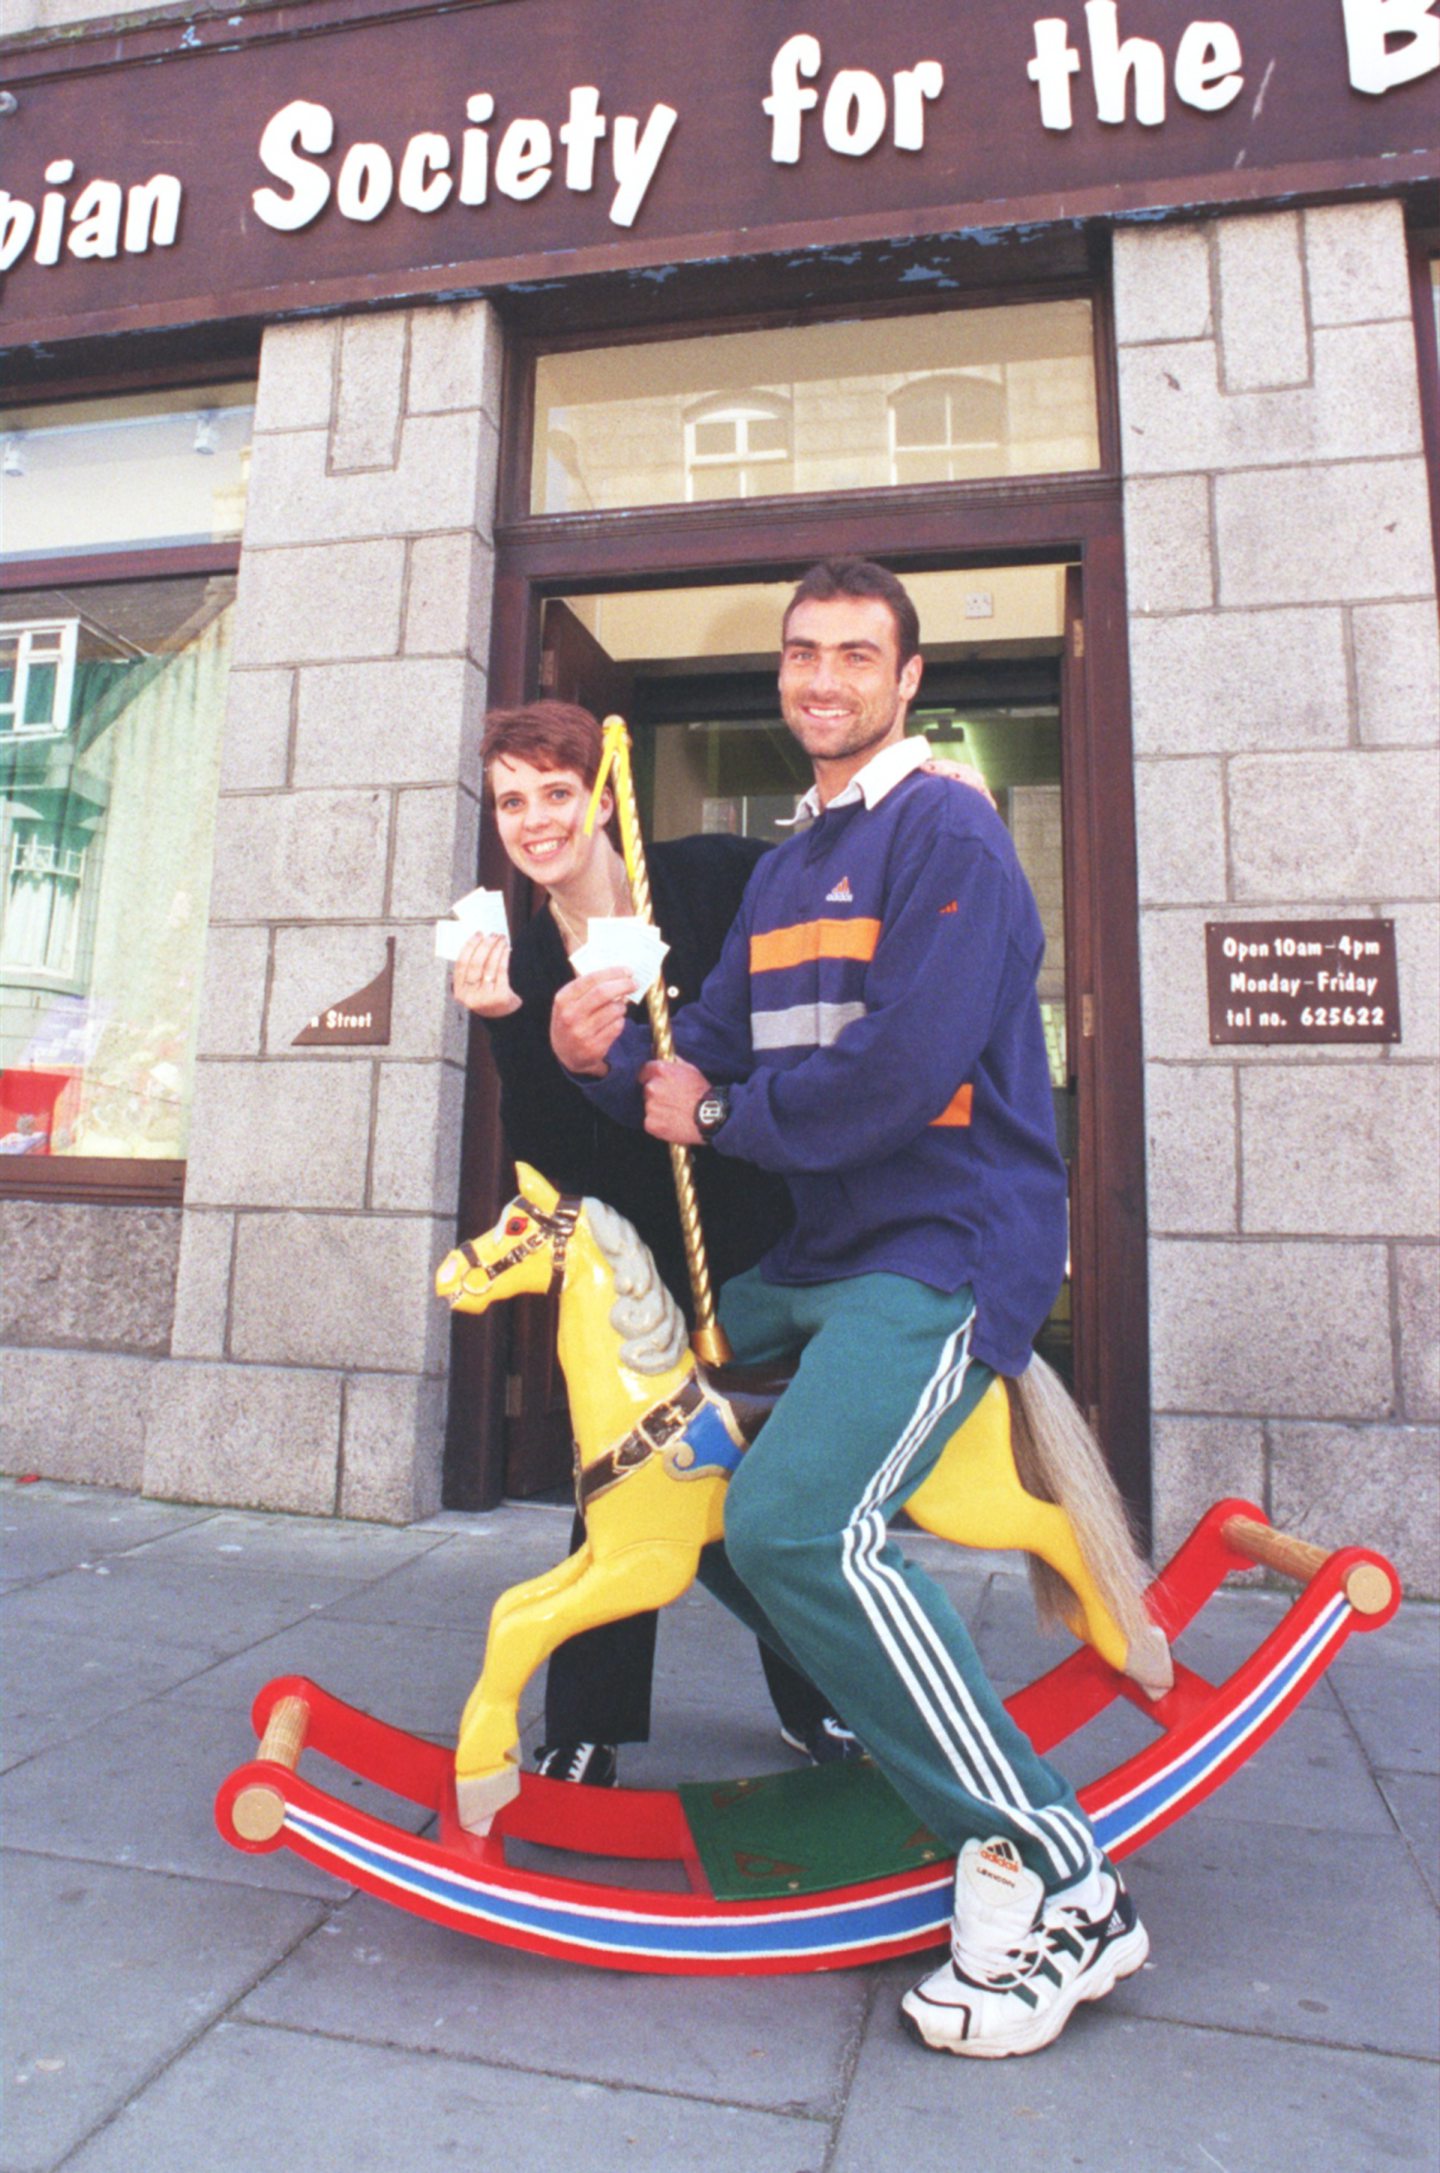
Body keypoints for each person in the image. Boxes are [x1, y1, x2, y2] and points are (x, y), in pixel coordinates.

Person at [551, 558, 1148, 2060]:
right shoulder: (784, 865)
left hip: (941, 1245)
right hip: (822, 1261)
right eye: (803, 653)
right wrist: (596, 1057)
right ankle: (902, 1716)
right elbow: (713, 1057)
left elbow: (898, 1073)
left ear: (906, 679)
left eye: (856, 655)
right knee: (684, 1481)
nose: (824, 678)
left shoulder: (947, 826)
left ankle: (1061, 1876)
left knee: (795, 1527)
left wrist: (711, 1116)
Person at [453, 699, 858, 1785]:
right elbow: (550, 1155)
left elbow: (828, 892)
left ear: (599, 794)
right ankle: (588, 1723)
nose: (535, 821)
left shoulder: (715, 876)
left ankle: (822, 1701)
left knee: (786, 1477)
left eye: (554, 792)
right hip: (641, 1259)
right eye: (510, 801)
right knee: (619, 1479)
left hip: (769, 1223)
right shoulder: (524, 958)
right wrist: (512, 1031)